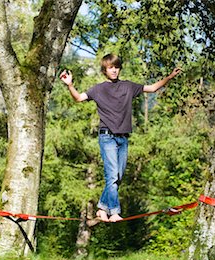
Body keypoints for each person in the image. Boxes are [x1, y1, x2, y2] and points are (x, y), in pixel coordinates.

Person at [60, 54, 181, 222]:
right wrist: (70, 85)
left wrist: (170, 77)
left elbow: (152, 88)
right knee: (112, 176)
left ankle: (102, 208)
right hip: (107, 137)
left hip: (123, 138)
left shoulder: (128, 86)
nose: (114, 70)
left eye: (116, 67)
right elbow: (79, 98)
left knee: (118, 176)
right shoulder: (98, 89)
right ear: (105, 70)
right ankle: (114, 212)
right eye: (111, 67)